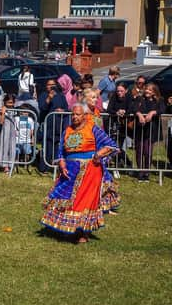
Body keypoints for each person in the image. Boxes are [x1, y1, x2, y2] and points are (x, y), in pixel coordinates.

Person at [40, 103, 119, 243]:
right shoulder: (67, 130)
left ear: (85, 116)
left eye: (78, 114)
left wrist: (98, 155)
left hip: (89, 171)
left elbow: (111, 145)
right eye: (73, 114)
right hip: (69, 171)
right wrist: (62, 163)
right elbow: (61, 152)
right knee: (67, 200)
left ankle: (83, 232)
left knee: (84, 202)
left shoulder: (93, 129)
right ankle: (68, 228)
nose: (75, 117)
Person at [130, 83, 166, 182]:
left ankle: (146, 173)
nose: (147, 91)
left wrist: (152, 112)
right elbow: (134, 108)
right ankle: (140, 173)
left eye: (150, 90)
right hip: (140, 129)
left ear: (154, 91)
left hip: (151, 130)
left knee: (147, 151)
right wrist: (138, 114)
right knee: (139, 151)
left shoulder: (159, 100)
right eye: (146, 89)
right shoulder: (140, 99)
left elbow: (162, 109)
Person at [106, 82, 133, 168]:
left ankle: (126, 162)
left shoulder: (129, 97)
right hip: (114, 124)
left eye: (121, 91)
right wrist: (117, 112)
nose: (119, 93)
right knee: (114, 146)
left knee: (119, 146)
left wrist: (124, 112)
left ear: (126, 90)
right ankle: (120, 163)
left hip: (125, 125)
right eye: (118, 91)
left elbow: (131, 108)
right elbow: (109, 109)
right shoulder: (114, 96)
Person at [0, 94, 17, 173]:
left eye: (12, 103)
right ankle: (4, 165)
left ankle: (11, 164)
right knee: (4, 146)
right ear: (5, 102)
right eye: (9, 102)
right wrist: (3, 113)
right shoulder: (3, 109)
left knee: (12, 147)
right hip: (5, 130)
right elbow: (1, 122)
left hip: (12, 131)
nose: (10, 105)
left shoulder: (15, 110)